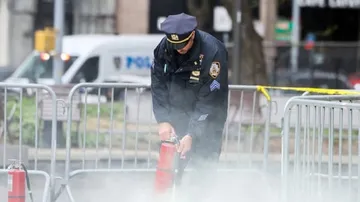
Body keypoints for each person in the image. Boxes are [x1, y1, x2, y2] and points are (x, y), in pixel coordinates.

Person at [151, 13, 229, 186]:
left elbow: (210, 98)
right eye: (175, 44)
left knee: (204, 172)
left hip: (208, 119)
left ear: (192, 34)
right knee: (170, 171)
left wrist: (192, 133)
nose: (180, 48)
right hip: (178, 115)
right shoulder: (164, 48)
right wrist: (163, 119)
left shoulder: (213, 52)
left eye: (183, 44)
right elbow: (158, 85)